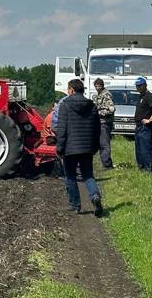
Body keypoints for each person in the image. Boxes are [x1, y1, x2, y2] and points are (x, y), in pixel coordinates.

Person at [55, 78, 104, 216]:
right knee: (88, 175)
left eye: (67, 89)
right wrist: (94, 147)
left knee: (70, 176)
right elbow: (97, 129)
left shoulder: (65, 105)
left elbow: (62, 129)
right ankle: (95, 196)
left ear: (71, 90)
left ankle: (75, 205)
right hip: (87, 147)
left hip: (70, 148)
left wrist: (59, 148)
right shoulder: (92, 105)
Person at [134, 77, 152, 172]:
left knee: (145, 150)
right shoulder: (141, 96)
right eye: (137, 86)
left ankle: (148, 171)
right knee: (139, 150)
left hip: (145, 128)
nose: (138, 88)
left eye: (140, 86)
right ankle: (141, 169)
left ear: (145, 85)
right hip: (138, 127)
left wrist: (150, 120)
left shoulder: (149, 95)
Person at [92, 78, 116, 168]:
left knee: (104, 144)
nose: (97, 87)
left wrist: (98, 113)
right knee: (100, 144)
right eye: (96, 86)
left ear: (102, 86)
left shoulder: (106, 95)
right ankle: (104, 162)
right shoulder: (97, 95)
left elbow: (111, 109)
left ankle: (107, 164)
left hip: (104, 123)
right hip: (98, 123)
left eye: (99, 86)